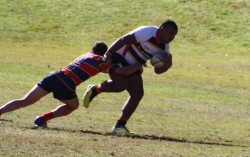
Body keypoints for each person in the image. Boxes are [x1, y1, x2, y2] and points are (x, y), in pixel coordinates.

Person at [0, 42, 142, 127]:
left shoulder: (85, 55)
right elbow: (123, 72)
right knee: (73, 106)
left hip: (54, 75)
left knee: (24, 101)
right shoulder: (101, 61)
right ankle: (43, 118)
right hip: (66, 83)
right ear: (105, 53)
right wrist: (138, 64)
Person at [83, 19, 178, 135]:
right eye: (171, 33)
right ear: (162, 29)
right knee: (119, 85)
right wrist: (109, 53)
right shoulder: (147, 32)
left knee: (137, 93)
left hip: (133, 66)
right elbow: (124, 39)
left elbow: (157, 71)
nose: (172, 37)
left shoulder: (164, 48)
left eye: (175, 35)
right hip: (118, 57)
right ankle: (95, 89)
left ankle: (119, 126)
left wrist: (167, 65)